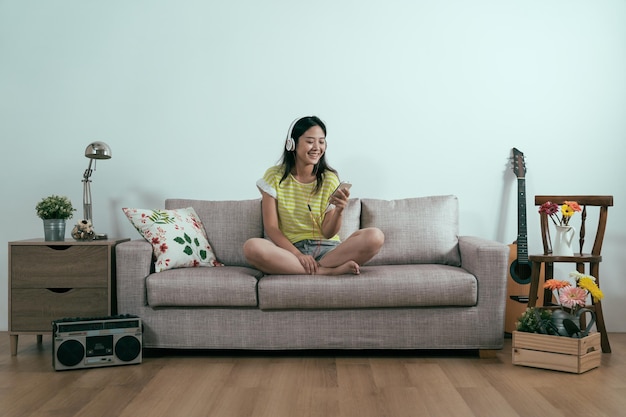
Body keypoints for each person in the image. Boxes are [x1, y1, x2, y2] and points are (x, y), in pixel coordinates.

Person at [243, 116, 384, 275]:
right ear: (292, 144)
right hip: (290, 253)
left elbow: (328, 233)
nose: (317, 147)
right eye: (310, 141)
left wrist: (339, 210)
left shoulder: (329, 179)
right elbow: (272, 228)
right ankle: (326, 272)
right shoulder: (274, 176)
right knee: (252, 247)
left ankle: (319, 267)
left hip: (329, 251)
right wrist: (298, 255)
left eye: (321, 141)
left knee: (375, 236)